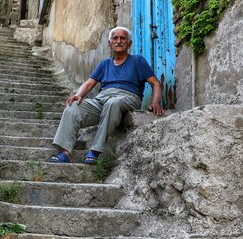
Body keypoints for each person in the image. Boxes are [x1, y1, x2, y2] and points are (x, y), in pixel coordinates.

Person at [48, 26, 163, 164]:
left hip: (127, 97)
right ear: (109, 43)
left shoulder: (137, 61)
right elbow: (89, 84)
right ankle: (65, 152)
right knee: (73, 107)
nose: (118, 41)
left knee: (112, 103)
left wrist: (155, 102)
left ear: (129, 43)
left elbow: (156, 83)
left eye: (122, 38)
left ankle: (95, 151)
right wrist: (78, 95)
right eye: (115, 38)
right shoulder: (105, 64)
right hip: (102, 99)